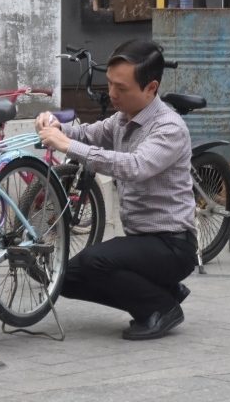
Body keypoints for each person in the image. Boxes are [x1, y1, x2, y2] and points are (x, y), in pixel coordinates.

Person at [36, 39, 197, 341]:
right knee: (60, 277)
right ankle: (160, 292)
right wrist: (55, 127)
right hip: (143, 243)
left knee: (94, 260)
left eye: (121, 88)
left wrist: (68, 146)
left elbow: (134, 167)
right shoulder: (123, 120)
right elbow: (87, 133)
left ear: (151, 88)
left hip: (172, 246)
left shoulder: (169, 128)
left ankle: (160, 308)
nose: (112, 94)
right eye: (109, 83)